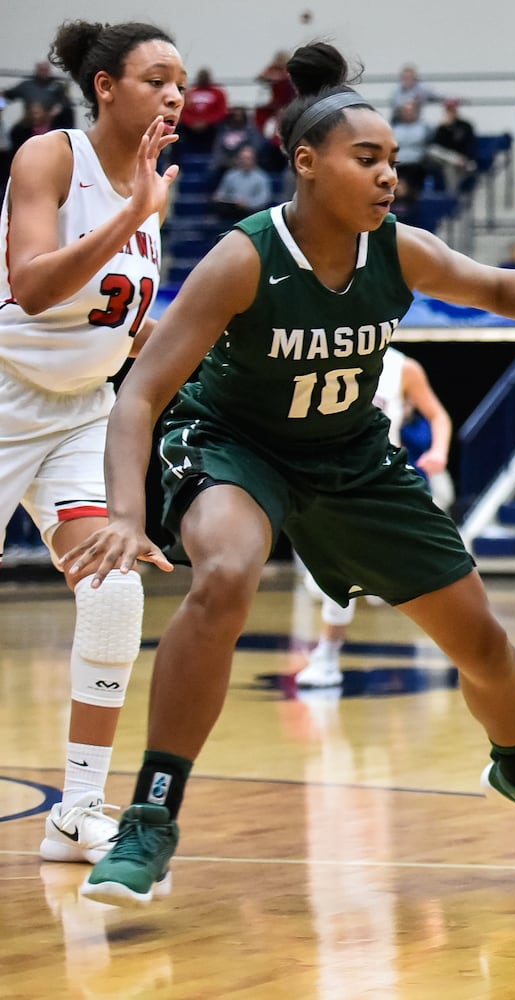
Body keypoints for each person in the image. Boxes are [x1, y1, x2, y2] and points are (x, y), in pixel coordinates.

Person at [65, 42, 515, 907]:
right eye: (366, 159)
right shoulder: (244, 257)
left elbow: (493, 286)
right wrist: (123, 511)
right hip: (232, 444)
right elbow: (141, 393)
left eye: (393, 163)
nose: (387, 178)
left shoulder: (397, 253)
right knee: (225, 573)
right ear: (306, 164)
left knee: (481, 641)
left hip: (352, 458)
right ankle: (152, 818)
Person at [0, 19, 183, 867]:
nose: (175, 94)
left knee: (113, 591)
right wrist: (133, 216)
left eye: (180, 81)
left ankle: (77, 811)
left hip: (80, 411)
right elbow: (34, 288)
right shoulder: (51, 157)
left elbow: (126, 320)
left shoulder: (153, 185)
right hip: (4, 396)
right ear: (106, 85)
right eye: (155, 78)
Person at [295, 346, 454, 688]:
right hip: (325, 473)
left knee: (342, 568)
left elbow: (439, 415)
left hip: (380, 476)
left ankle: (328, 655)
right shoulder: (320, 353)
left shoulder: (403, 368)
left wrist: (439, 452)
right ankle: (361, 586)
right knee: (327, 576)